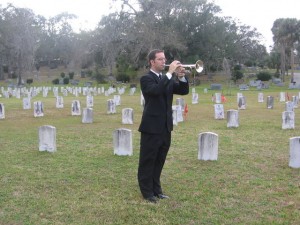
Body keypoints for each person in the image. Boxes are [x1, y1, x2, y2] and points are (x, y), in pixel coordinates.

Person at [138, 49, 189, 203]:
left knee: (159, 160)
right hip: (151, 127)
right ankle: (147, 193)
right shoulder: (146, 78)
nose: (164, 61)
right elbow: (155, 91)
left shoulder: (166, 79)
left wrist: (181, 76)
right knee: (148, 160)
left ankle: (157, 190)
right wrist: (170, 73)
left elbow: (183, 91)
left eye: (164, 59)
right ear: (152, 62)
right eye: (160, 59)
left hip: (166, 127)